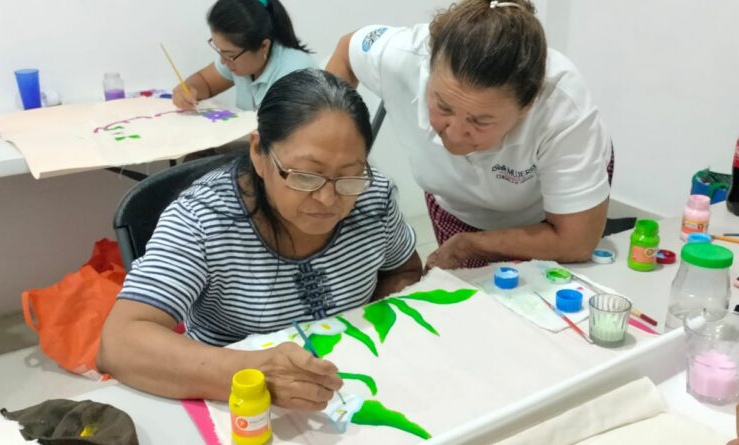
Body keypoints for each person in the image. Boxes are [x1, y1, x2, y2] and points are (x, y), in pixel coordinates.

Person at [98, 69, 422, 410]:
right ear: (258, 152)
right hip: (237, 406)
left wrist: (370, 337)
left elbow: (403, 270)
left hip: (351, 393)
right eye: (305, 176)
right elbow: (119, 344)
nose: (328, 199)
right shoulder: (204, 219)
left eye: (349, 175)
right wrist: (256, 374)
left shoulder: (372, 197)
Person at [327, 0, 614, 270]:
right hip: (455, 202)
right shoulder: (402, 55)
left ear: (527, 106)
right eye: (443, 106)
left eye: (480, 121)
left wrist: (470, 245)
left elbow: (576, 241)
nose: (455, 134)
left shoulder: (561, 106)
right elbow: (347, 51)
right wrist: (330, 160)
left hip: (544, 219)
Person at [172, 0, 316, 112]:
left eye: (229, 55)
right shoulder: (241, 59)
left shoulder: (295, 75)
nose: (223, 61)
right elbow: (205, 82)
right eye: (219, 50)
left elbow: (287, 137)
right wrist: (189, 90)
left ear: (264, 46)